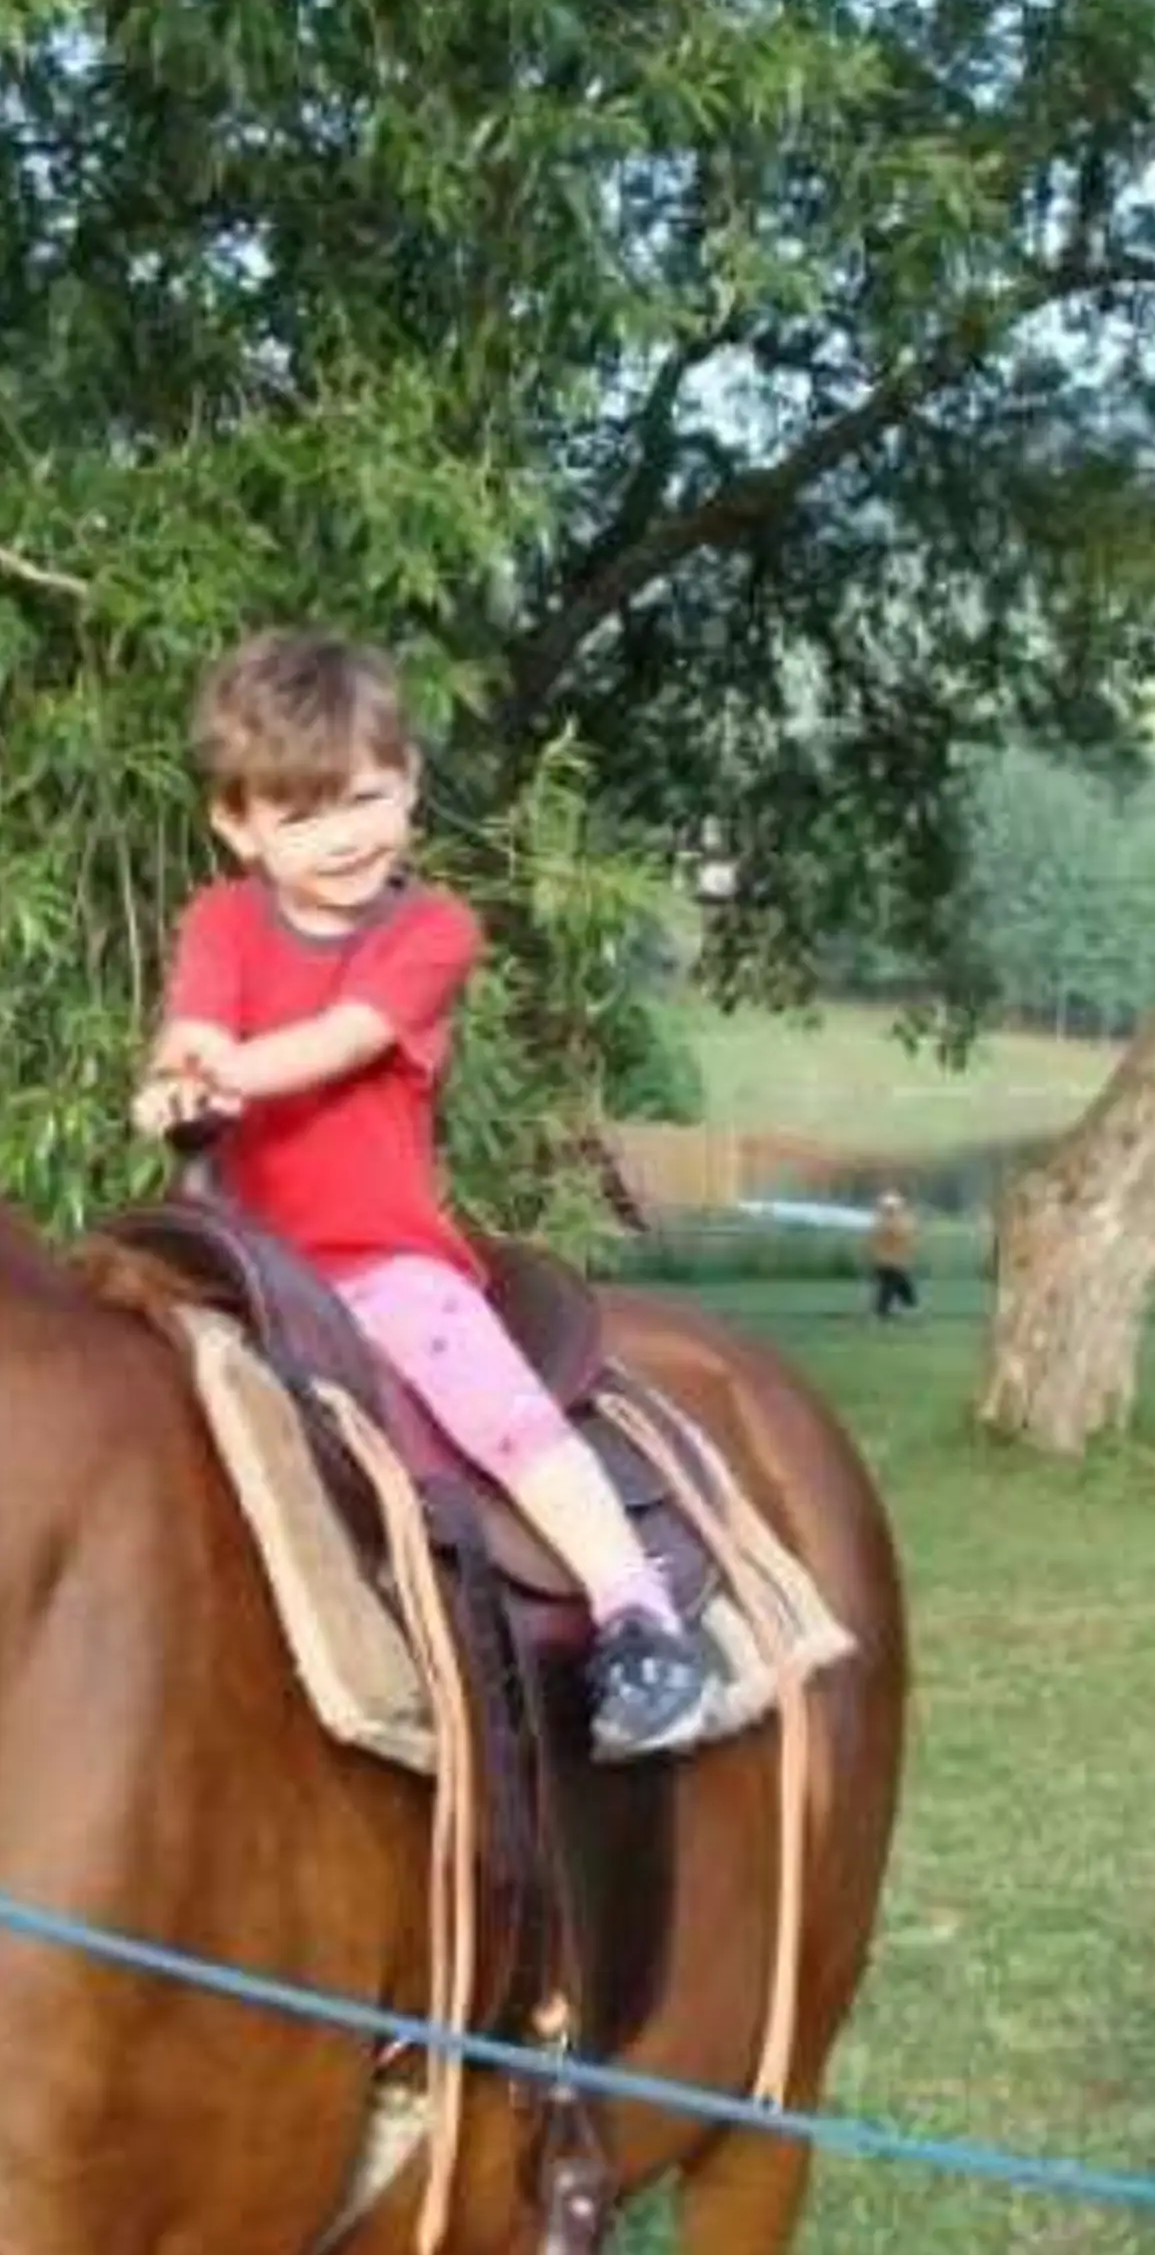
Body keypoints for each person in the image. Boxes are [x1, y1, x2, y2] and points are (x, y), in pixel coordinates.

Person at [134, 629, 721, 1760]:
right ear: (237, 826)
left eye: (363, 797)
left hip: (376, 1260)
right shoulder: (221, 921)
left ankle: (636, 1618)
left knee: (493, 1407)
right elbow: (197, 1024)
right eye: (300, 815)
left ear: (407, 786)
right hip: (246, 1262)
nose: (343, 834)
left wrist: (226, 1074)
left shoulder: (431, 930)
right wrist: (175, 1082)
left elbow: (342, 1039)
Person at [864, 1191, 921, 1320]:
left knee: (901, 1285)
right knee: (890, 1287)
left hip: (893, 1262)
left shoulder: (884, 1221)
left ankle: (906, 1307)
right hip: (889, 1262)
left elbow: (909, 1239)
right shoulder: (889, 1223)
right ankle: (884, 1311)